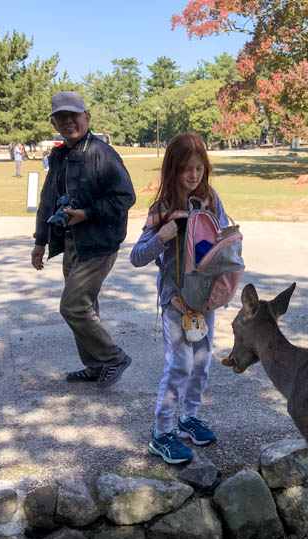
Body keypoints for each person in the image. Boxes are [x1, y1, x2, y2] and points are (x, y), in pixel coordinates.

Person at [130, 132, 226, 464]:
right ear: (173, 169)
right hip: (175, 302)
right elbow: (137, 256)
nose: (194, 176)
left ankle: (188, 419)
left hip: (205, 299)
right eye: (186, 168)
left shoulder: (211, 200)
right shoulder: (163, 208)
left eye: (199, 168)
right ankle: (162, 431)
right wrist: (161, 236)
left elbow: (223, 238)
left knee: (202, 362)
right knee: (180, 364)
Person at [31, 91, 135, 388]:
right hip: (71, 242)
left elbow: (125, 197)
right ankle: (94, 365)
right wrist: (41, 241)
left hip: (99, 244)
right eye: (60, 117)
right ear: (54, 122)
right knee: (86, 306)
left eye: (73, 116)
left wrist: (87, 214)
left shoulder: (101, 153)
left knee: (73, 306)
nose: (67, 122)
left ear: (86, 118)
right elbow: (48, 200)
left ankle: (114, 357)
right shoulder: (60, 155)